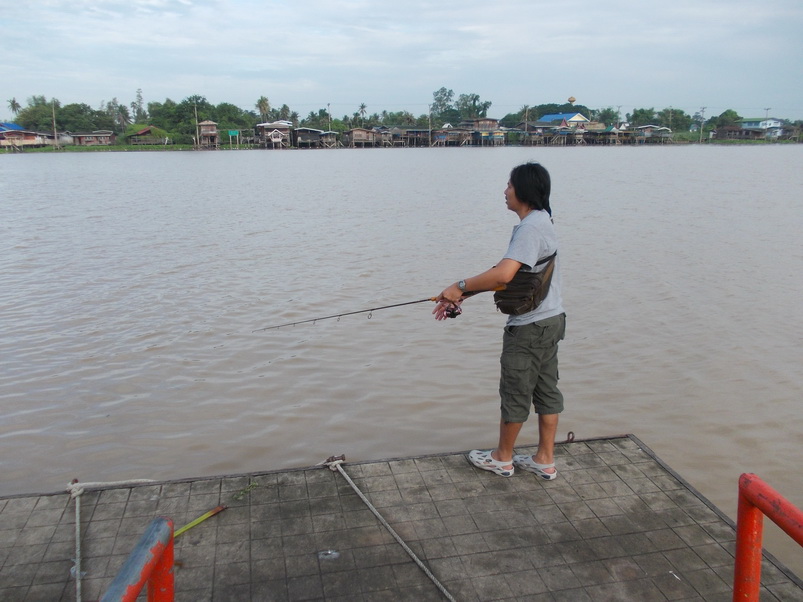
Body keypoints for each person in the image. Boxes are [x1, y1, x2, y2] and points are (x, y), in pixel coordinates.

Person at [434, 162, 566, 479]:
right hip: (551, 321)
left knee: (516, 392)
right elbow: (512, 273)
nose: (505, 191)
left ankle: (502, 458)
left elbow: (504, 273)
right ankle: (544, 458)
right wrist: (463, 295)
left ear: (523, 190)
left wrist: (459, 285)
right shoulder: (542, 221)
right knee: (547, 392)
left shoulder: (530, 228)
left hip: (530, 328)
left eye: (509, 185)